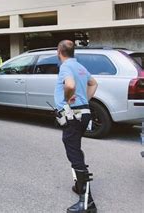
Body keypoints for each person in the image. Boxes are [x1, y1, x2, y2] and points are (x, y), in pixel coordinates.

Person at [55, 40, 98, 213]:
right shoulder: (80, 67)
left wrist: (66, 100)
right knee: (75, 148)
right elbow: (94, 83)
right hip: (84, 113)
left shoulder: (65, 66)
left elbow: (70, 85)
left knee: (73, 152)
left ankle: (87, 202)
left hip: (73, 114)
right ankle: (79, 186)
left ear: (59, 51)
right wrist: (84, 101)